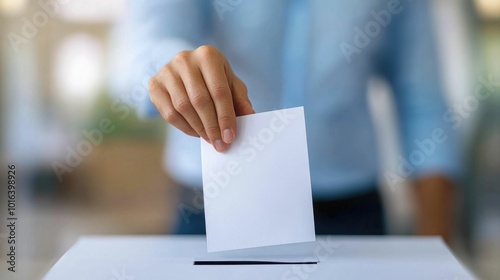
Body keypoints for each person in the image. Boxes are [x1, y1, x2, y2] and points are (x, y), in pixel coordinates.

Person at [111, 0, 460, 241]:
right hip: (214, 206)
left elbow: (422, 101)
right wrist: (171, 68)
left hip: (350, 213)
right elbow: (147, 42)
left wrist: (436, 234)